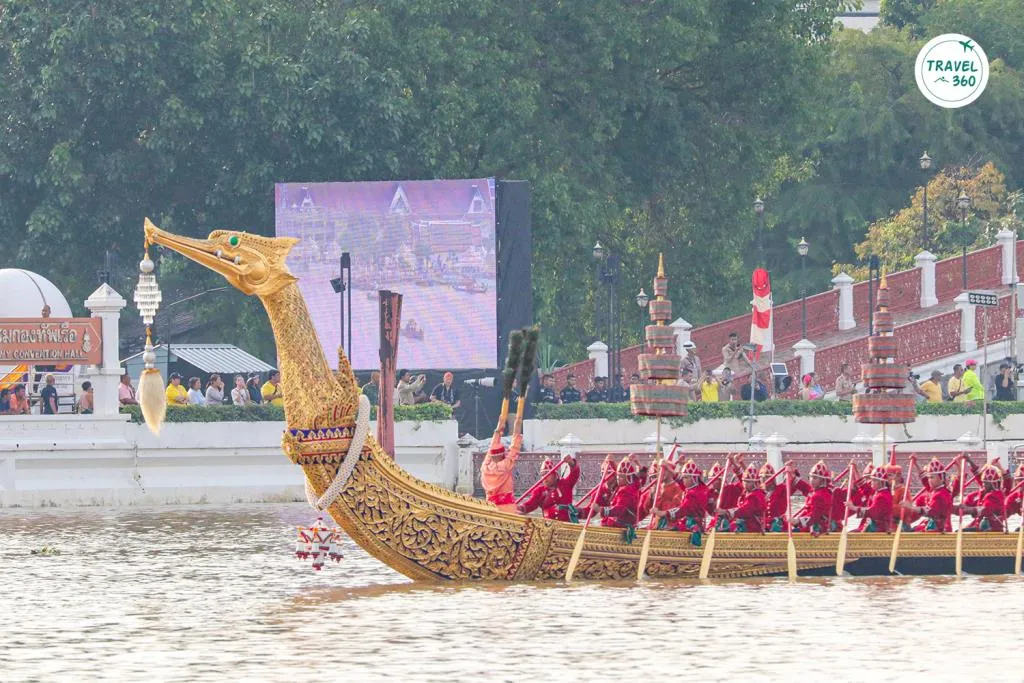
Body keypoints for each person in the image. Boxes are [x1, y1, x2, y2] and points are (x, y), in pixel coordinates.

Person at [516, 455, 580, 522]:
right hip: (548, 527)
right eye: (542, 475)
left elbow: (575, 474)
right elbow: (531, 504)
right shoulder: (539, 491)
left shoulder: (565, 484)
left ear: (555, 475)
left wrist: (571, 463)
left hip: (567, 525)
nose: (544, 477)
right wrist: (520, 508)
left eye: (547, 474)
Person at [581, 458, 641, 528]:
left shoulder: (626, 490)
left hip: (623, 527)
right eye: (604, 474)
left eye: (621, 476)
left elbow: (619, 509)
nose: (618, 478)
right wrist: (576, 511)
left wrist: (600, 509)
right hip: (611, 524)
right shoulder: (600, 491)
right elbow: (589, 511)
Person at [656, 460, 710, 534]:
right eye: (683, 477)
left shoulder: (695, 493)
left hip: (693, 526)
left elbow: (683, 509)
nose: (683, 480)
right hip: (688, 522)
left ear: (693, 478)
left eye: (685, 477)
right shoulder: (693, 489)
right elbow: (679, 479)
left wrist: (665, 513)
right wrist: (667, 467)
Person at [901, 457, 953, 532]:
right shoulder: (936, 489)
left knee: (907, 530)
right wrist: (916, 463)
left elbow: (929, 511)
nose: (929, 480)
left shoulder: (940, 494)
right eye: (929, 478)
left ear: (941, 478)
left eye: (932, 478)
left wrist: (910, 507)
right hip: (933, 526)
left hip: (940, 529)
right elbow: (925, 479)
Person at [717, 463, 767, 533]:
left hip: (753, 527)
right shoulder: (745, 492)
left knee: (730, 527)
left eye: (748, 482)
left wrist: (726, 511)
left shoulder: (757, 495)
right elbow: (741, 476)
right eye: (744, 481)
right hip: (742, 524)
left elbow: (745, 509)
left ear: (755, 483)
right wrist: (734, 462)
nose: (745, 483)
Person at [480, 431, 521, 512]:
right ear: (503, 455)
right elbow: (514, 448)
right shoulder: (505, 465)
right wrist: (518, 421)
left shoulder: (485, 467)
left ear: (491, 456)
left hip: (490, 508)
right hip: (508, 509)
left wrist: (498, 431)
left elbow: (491, 449)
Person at [957, 464, 1006, 531]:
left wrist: (968, 509)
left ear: (992, 484)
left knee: (963, 531)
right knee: (961, 529)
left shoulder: (995, 495)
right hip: (980, 526)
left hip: (991, 528)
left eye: (985, 483)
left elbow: (985, 510)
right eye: (983, 483)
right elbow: (978, 477)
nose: (983, 485)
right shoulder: (983, 493)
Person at [790, 461, 832, 536]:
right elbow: (804, 487)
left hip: (820, 526)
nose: (811, 480)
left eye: (815, 478)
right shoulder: (816, 491)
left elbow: (815, 517)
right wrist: (793, 473)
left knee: (793, 532)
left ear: (822, 480)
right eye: (811, 477)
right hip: (813, 523)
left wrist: (798, 521)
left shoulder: (820, 495)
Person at [847, 465, 893, 532]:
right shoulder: (879, 492)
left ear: (881, 482)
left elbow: (873, 512)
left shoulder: (882, 496)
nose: (871, 482)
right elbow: (862, 485)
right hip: (873, 525)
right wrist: (855, 470)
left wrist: (853, 508)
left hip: (878, 528)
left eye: (874, 480)